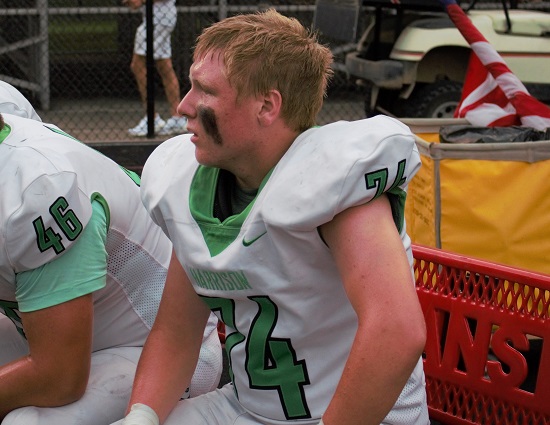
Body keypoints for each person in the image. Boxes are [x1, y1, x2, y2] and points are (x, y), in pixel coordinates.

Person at [116, 9, 429, 425]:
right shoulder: (189, 184)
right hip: (249, 406)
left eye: (205, 90)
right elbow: (176, 333)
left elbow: (397, 332)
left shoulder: (334, 185)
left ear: (266, 106)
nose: (184, 106)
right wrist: (142, 415)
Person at [0, 85, 222, 425]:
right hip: (49, 331)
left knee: (28, 423)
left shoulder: (35, 191)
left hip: (158, 350)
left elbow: (59, 377)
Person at [124, 0, 188, 136]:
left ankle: (152, 118)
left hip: (158, 21)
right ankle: (177, 118)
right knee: (165, 66)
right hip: (158, 19)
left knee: (137, 65)